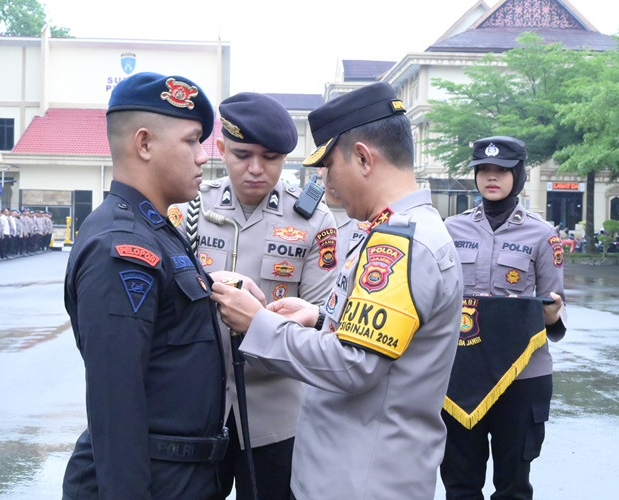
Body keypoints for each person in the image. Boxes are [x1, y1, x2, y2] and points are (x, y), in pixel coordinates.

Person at [211, 81, 464, 499]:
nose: (324, 181)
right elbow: (379, 343)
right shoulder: (399, 231)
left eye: (328, 165)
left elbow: (353, 365)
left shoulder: (400, 244)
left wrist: (258, 324)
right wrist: (317, 318)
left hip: (361, 479)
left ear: (363, 158)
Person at [61, 71, 229, 499]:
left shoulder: (155, 229)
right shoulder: (122, 247)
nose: (202, 157)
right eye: (191, 141)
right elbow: (116, 405)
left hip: (180, 475)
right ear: (144, 144)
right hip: (152, 480)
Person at [169, 92, 338, 500]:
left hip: (276, 411)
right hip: (193, 406)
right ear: (221, 148)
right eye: (242, 155)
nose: (257, 170)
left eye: (272, 158)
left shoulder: (313, 220)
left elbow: (320, 323)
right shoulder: (186, 207)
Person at [440, 136, 566, 499]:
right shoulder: (451, 230)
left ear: (519, 175)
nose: (491, 178)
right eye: (484, 171)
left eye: (502, 171)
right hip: (463, 371)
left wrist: (553, 315)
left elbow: (555, 305)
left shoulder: (542, 235)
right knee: (460, 481)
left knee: (513, 484)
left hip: (522, 376)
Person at [316, 165, 368, 264]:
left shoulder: (371, 212)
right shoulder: (306, 212)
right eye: (330, 164)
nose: (337, 174)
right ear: (320, 168)